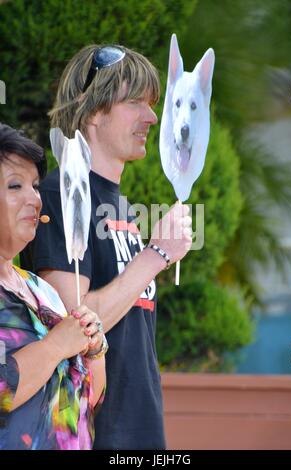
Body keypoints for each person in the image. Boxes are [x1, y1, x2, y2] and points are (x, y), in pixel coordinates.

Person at [21, 44, 192, 450]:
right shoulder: (59, 194)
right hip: (91, 435)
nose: (151, 117)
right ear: (95, 112)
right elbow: (73, 322)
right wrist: (156, 256)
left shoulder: (122, 207)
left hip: (143, 433)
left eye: (151, 105)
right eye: (135, 103)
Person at [0, 123, 106, 450]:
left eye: (34, 185)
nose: (35, 198)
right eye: (15, 186)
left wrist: (95, 349)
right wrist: (57, 346)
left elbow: (89, 399)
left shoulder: (41, 292)